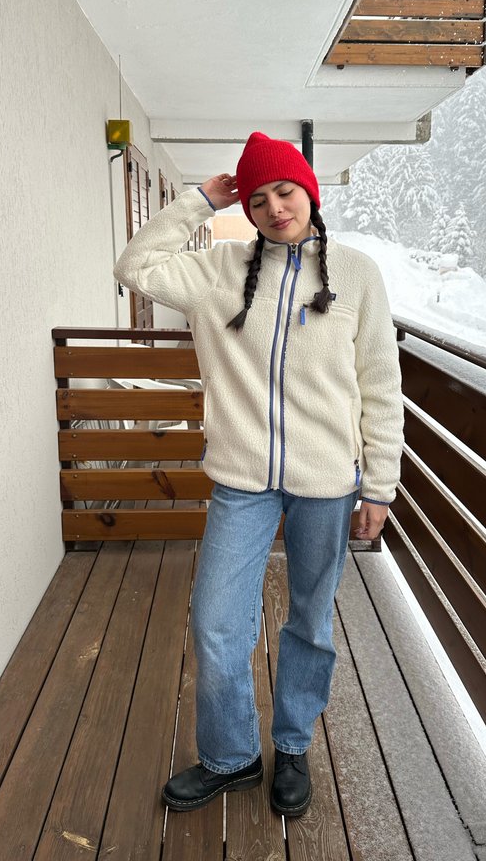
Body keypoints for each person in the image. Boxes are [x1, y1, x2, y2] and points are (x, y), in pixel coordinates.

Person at [113, 131, 404, 817]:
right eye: (259, 196)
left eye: (286, 190)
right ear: (244, 207)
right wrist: (197, 202)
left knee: (309, 620)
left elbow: (381, 384)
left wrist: (380, 486)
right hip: (243, 481)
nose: (276, 207)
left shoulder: (357, 274)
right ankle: (232, 757)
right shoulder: (216, 269)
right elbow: (134, 266)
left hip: (327, 485)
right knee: (217, 622)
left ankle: (293, 745)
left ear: (310, 191)